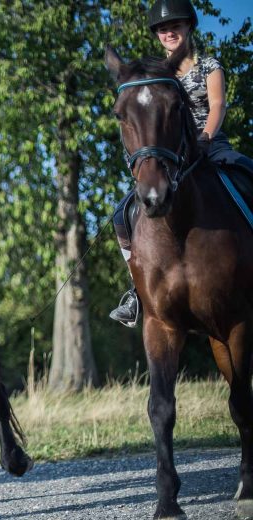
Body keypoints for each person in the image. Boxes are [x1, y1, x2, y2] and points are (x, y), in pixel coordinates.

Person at [109, 0, 253, 327]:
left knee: (247, 173)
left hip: (209, 145)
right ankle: (136, 290)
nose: (169, 33)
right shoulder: (157, 73)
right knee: (122, 214)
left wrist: (205, 136)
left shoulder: (210, 66)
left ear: (189, 27)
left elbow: (217, 106)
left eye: (175, 26)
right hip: (171, 155)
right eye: (163, 29)